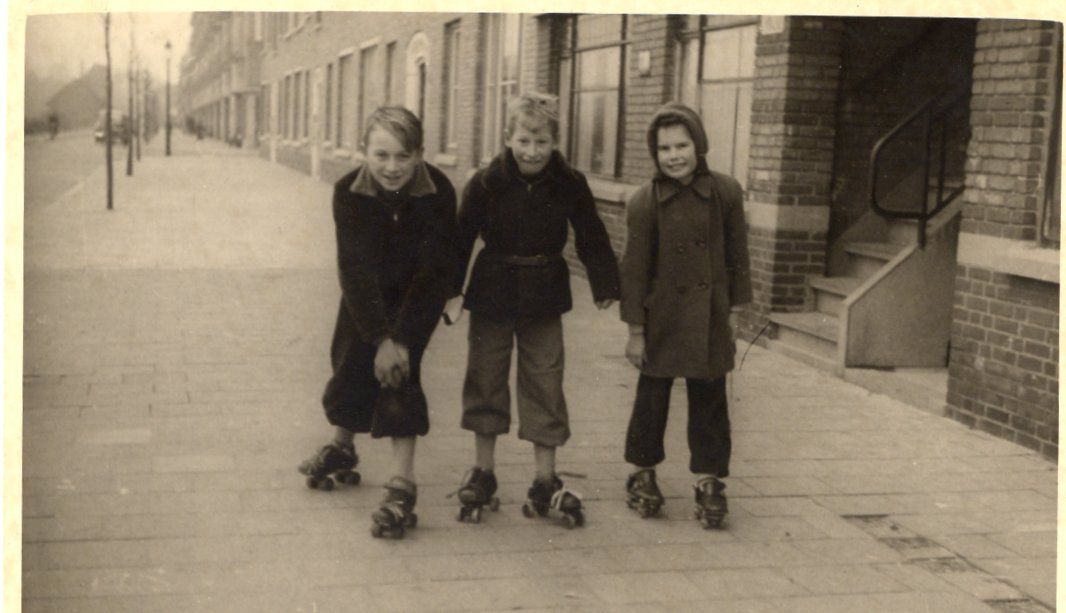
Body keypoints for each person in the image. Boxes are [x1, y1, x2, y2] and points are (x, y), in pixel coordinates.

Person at [453, 92, 620, 528]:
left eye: (542, 142)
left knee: (545, 381)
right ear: (508, 138)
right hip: (493, 290)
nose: (532, 151)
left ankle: (545, 478)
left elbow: (590, 233)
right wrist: (449, 289)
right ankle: (483, 472)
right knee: (486, 376)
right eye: (524, 140)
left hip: (544, 293)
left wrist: (604, 282)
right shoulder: (486, 181)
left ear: (555, 143)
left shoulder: (569, 183)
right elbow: (459, 238)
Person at [298, 106, 459, 539]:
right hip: (365, 297)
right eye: (381, 155)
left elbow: (433, 273)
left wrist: (402, 341)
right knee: (352, 365)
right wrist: (377, 337)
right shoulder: (348, 191)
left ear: (419, 154)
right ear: (364, 151)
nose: (391, 167)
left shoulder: (439, 192)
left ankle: (402, 483)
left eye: (403, 156)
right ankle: (342, 446)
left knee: (400, 377)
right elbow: (354, 267)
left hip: (414, 299)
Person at [619, 102, 752, 528]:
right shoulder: (645, 202)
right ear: (654, 153)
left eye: (682, 145)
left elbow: (737, 256)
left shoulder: (725, 193)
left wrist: (733, 312)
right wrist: (636, 331)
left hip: (710, 314)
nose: (673, 155)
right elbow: (635, 271)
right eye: (664, 148)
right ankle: (642, 471)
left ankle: (709, 478)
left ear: (699, 144)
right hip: (662, 317)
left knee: (710, 398)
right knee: (652, 397)